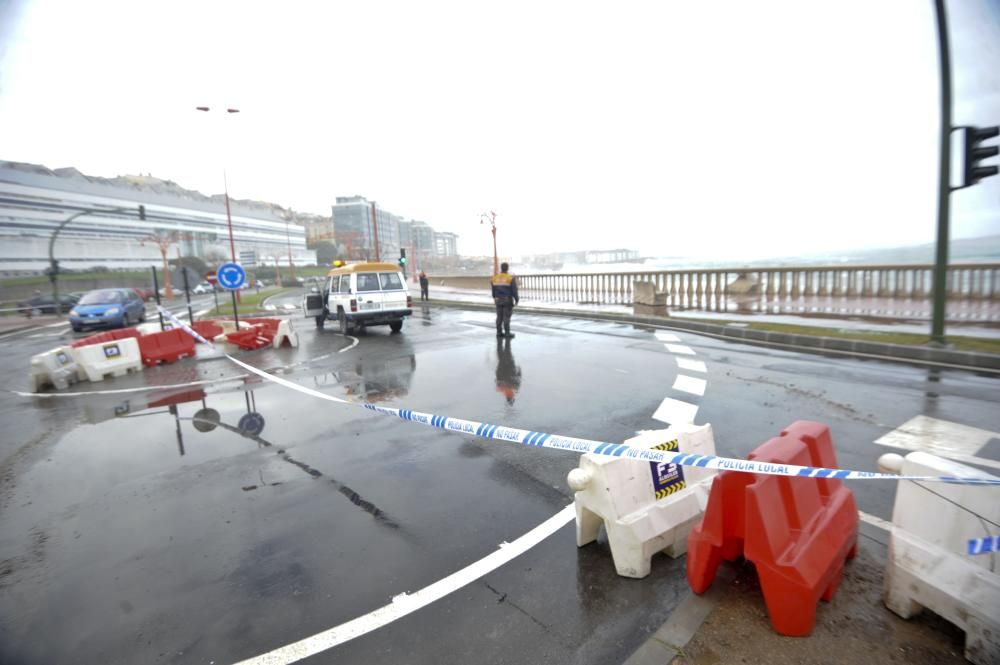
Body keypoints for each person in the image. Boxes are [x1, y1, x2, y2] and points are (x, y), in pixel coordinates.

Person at [490, 262, 518, 338]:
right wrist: (516, 299)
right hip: (507, 300)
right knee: (506, 317)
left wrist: (494, 297)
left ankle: (499, 333)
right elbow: (514, 290)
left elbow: (493, 290)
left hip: (498, 299)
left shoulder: (494, 278)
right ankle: (507, 333)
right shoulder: (510, 278)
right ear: (507, 268)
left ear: (501, 268)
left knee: (499, 316)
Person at [495, 336, 521, 405]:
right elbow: (497, 378)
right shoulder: (503, 389)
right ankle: (503, 341)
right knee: (504, 351)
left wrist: (518, 371)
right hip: (507, 367)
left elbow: (518, 377)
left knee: (505, 351)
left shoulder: (512, 388)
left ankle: (503, 340)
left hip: (507, 367)